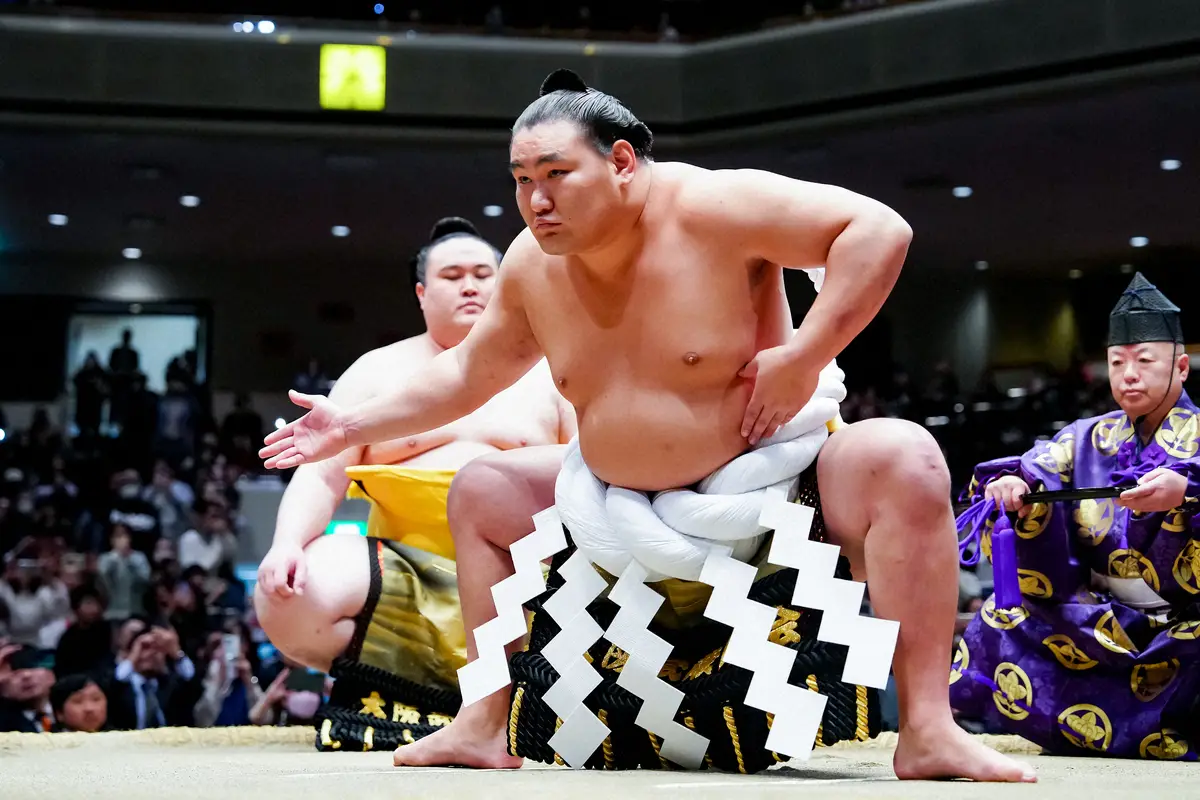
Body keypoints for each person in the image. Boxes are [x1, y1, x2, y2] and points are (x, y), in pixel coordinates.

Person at [259, 70, 1032, 781]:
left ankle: (929, 727)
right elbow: (466, 376)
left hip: (770, 485)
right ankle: (481, 722)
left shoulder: (715, 207)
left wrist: (806, 354)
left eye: (558, 174)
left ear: (622, 161)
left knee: (906, 456)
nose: (536, 199)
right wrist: (346, 423)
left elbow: (876, 229)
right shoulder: (532, 265)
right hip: (609, 508)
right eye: (523, 180)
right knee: (483, 489)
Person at [253, 216, 575, 750]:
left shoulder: (551, 367)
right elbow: (322, 472)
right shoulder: (377, 371)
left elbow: (596, 471)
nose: (470, 285)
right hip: (405, 575)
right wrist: (286, 543)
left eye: (483, 273)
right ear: (422, 293)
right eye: (452, 276)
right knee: (292, 592)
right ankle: (419, 683)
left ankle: (511, 697)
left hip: (529, 578)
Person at [952, 273, 1199, 759]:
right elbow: (1036, 465)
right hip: (1104, 623)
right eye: (1116, 363)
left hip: (1188, 628)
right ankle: (947, 731)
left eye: (1145, 362)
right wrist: (1014, 484)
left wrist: (1188, 492)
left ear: (1182, 368)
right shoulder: (1086, 436)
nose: (1129, 374)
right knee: (1002, 617)